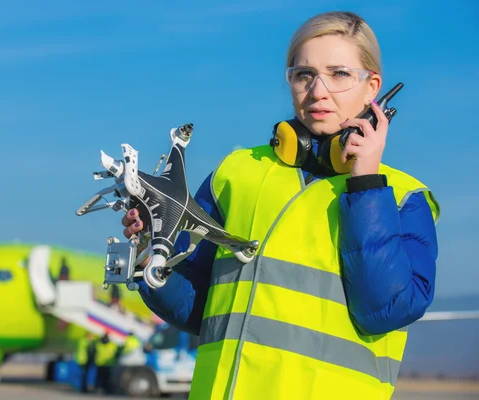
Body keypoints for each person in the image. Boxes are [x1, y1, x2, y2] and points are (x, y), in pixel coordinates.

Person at [119, 11, 440, 400]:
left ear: (372, 87)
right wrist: (149, 255)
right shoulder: (236, 173)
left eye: (339, 74)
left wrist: (366, 183)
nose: (318, 91)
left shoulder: (405, 197)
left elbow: (384, 309)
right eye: (304, 74)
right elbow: (198, 307)